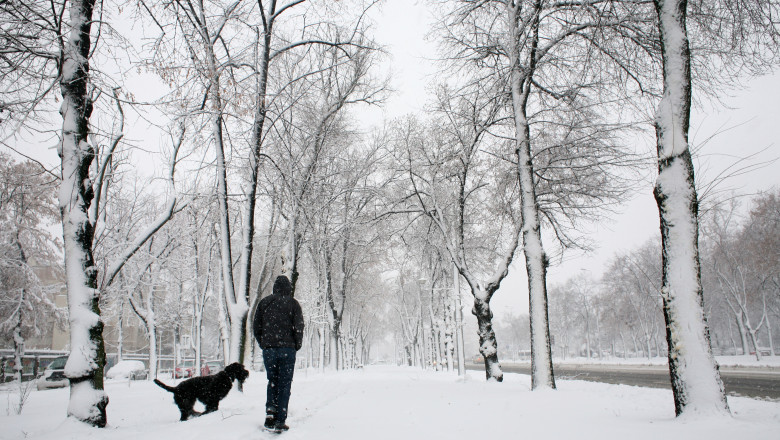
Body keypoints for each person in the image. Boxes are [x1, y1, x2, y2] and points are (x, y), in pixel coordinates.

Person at [252, 275, 304, 433]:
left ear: (275, 287)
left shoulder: (265, 303)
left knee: (272, 380)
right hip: (287, 349)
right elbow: (299, 326)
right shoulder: (293, 304)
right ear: (288, 288)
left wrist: (264, 343)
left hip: (270, 350)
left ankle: (270, 412)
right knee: (284, 384)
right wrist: (296, 344)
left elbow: (256, 325)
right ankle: (280, 419)